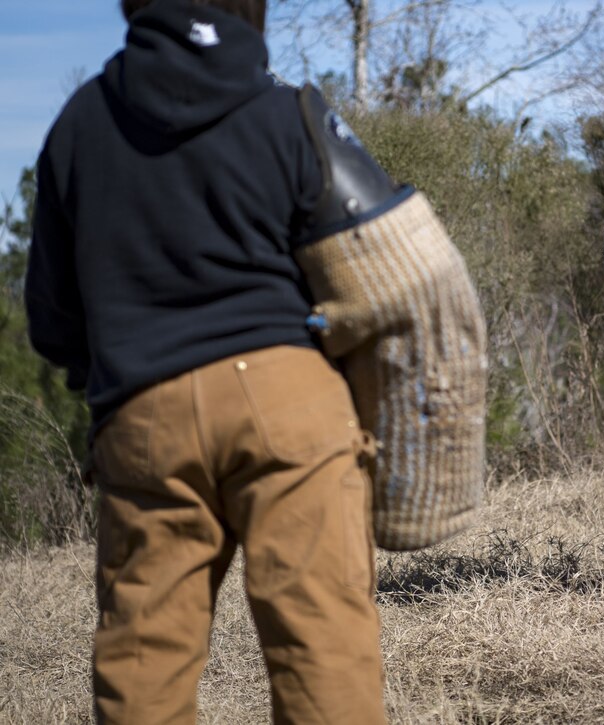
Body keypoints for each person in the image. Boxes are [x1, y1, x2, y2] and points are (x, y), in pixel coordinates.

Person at [25, 0, 394, 721]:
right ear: (252, 12)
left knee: (144, 657)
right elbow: (380, 266)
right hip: (290, 400)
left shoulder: (77, 125)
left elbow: (52, 316)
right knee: (322, 642)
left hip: (144, 409)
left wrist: (110, 379)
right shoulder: (292, 112)